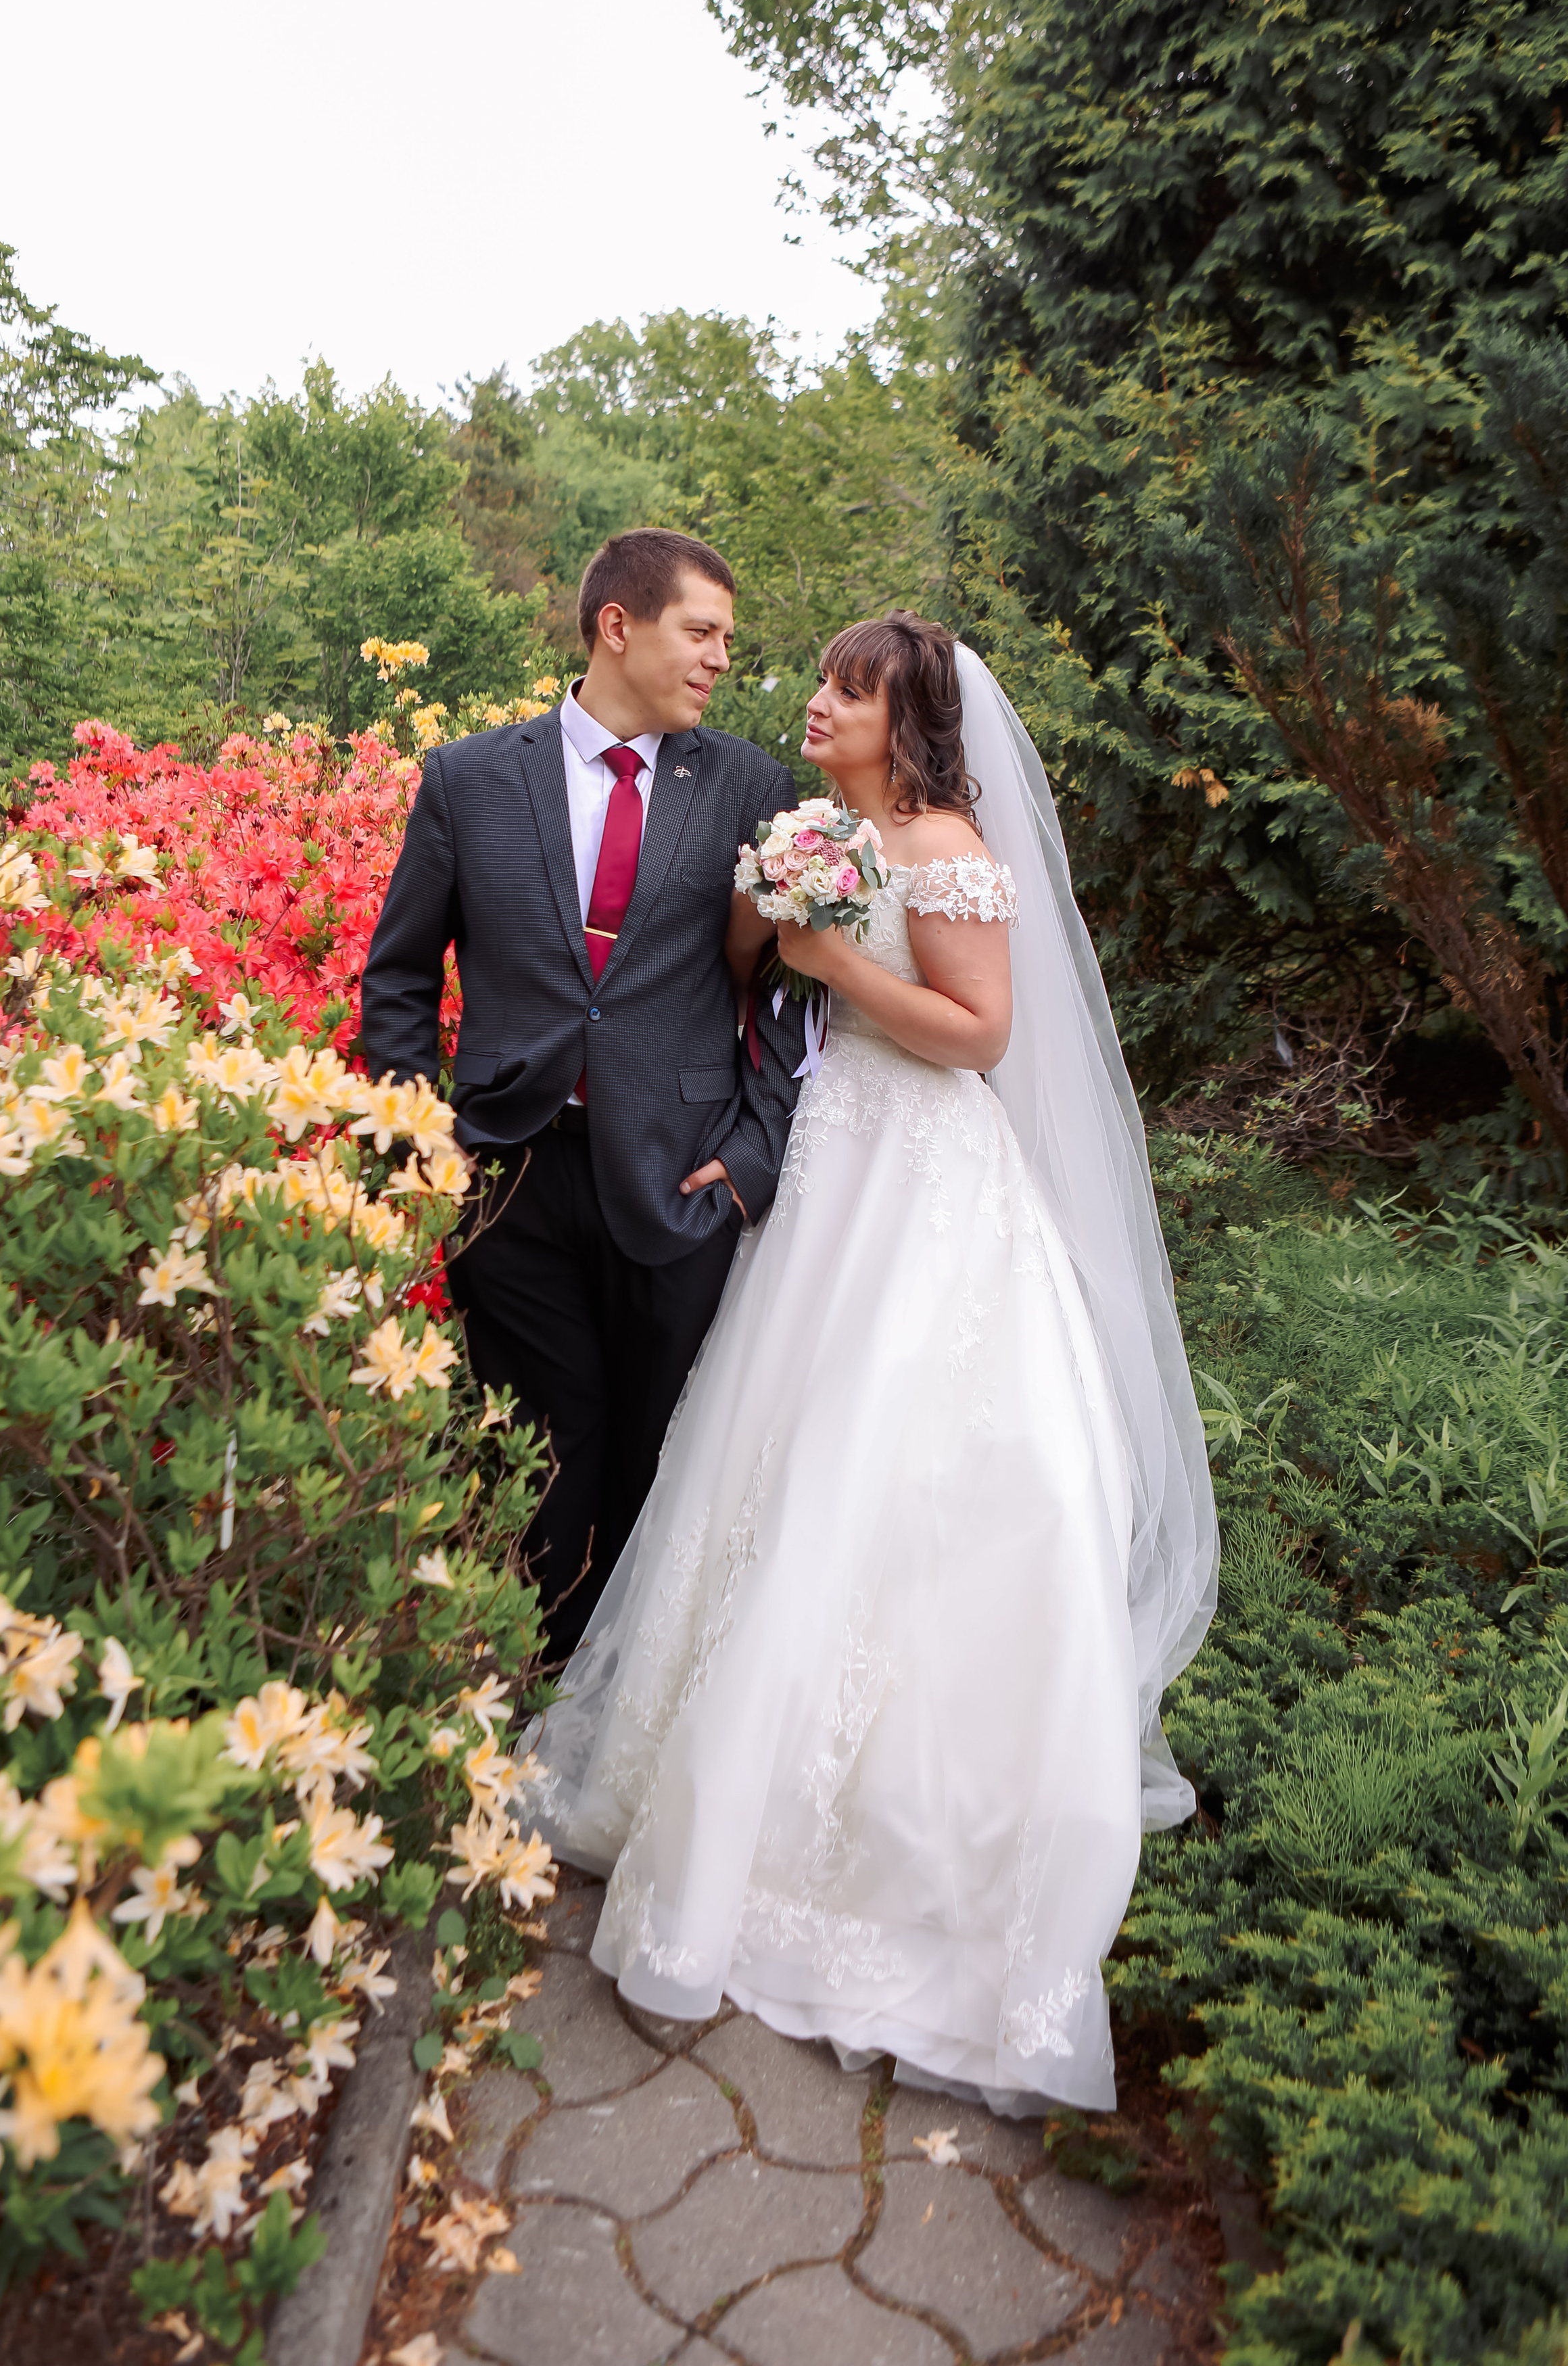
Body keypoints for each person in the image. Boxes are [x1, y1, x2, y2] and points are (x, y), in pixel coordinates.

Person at [525, 613, 1219, 2116]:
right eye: (820, 675)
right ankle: (708, 1783)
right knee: (771, 1454)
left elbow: (977, 1035)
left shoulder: (947, 848)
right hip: (835, 1183)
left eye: (845, 686)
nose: (813, 698)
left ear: (905, 717)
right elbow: (754, 975)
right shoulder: (824, 832)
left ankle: (884, 1843)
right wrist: (772, 912)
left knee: (893, 1473)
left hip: (929, 1188)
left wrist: (829, 950)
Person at [360, 528, 808, 1657]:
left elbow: (792, 985)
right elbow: (403, 974)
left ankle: (622, 1729)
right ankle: (523, 1704)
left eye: (727, 641)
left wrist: (754, 1158)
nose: (720, 661)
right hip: (510, 1175)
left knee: (660, 1458)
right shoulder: (469, 777)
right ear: (619, 626)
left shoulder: (749, 783)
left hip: (682, 1175)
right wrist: (424, 1139)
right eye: (700, 633)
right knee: (542, 1454)